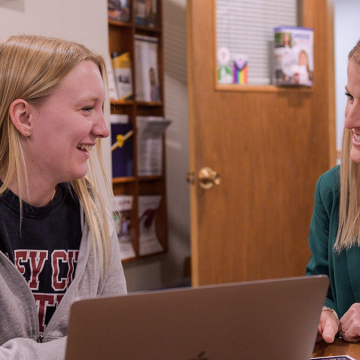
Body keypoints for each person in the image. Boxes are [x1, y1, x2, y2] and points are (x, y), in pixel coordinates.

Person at [0, 34, 127, 359]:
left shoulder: (95, 221)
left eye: (102, 110)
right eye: (87, 109)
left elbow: (118, 339)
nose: (103, 130)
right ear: (24, 118)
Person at [306, 39, 360, 344]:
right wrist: (322, 311)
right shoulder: (331, 189)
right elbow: (319, 283)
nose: (350, 120)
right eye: (350, 97)